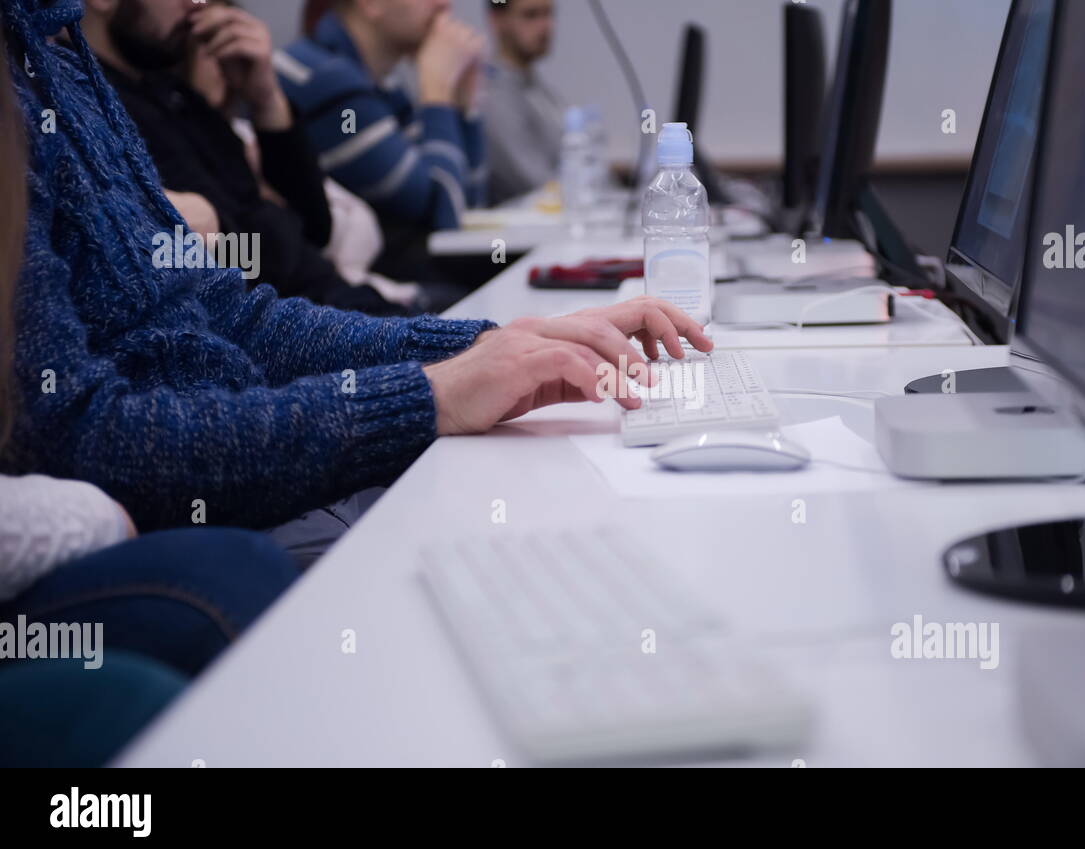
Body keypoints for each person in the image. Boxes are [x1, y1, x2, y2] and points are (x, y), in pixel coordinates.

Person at [2, 0, 710, 565]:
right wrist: (425, 395)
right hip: (196, 523)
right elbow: (84, 438)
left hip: (255, 465)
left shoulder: (63, 65)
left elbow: (236, 316)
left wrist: (485, 345)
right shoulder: (26, 84)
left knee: (555, 504)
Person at [0, 21, 299, 768]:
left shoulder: (62, 63)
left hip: (134, 480)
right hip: (113, 490)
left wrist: (449, 361)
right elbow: (80, 426)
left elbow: (258, 277)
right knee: (241, 580)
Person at [80, 0, 412, 316]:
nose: (198, 5)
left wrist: (267, 103)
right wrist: (269, 231)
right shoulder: (93, 112)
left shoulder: (171, 94)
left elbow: (315, 229)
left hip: (338, 307)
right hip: (297, 332)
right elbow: (235, 260)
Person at [279, 0, 487, 279]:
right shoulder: (325, 80)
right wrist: (438, 93)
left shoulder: (381, 83)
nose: (444, 4)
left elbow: (469, 205)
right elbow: (444, 218)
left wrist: (464, 105)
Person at [480, 0, 565, 204]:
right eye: (531, 15)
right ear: (497, 20)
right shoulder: (492, 95)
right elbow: (539, 183)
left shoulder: (536, 88)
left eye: (548, 14)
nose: (545, 26)